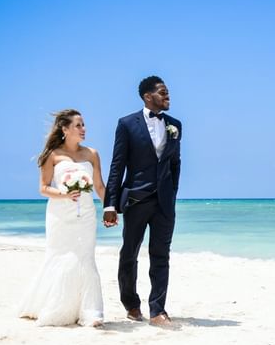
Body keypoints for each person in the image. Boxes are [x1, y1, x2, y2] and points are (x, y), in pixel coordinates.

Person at [103, 75, 182, 328]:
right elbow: (118, 165)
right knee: (130, 253)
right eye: (163, 92)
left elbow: (175, 163)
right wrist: (110, 204)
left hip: (164, 203)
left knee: (161, 256)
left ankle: (158, 310)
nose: (167, 96)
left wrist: (171, 193)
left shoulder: (175, 125)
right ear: (148, 96)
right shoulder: (126, 124)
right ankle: (131, 304)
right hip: (136, 199)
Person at [18, 109, 107, 327]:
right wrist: (65, 194)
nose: (83, 129)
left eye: (84, 124)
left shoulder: (92, 154)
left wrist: (109, 208)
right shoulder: (52, 156)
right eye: (78, 125)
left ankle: (90, 312)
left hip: (85, 213)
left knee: (86, 257)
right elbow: (43, 188)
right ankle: (58, 307)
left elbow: (98, 185)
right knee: (61, 256)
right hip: (60, 214)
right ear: (65, 129)